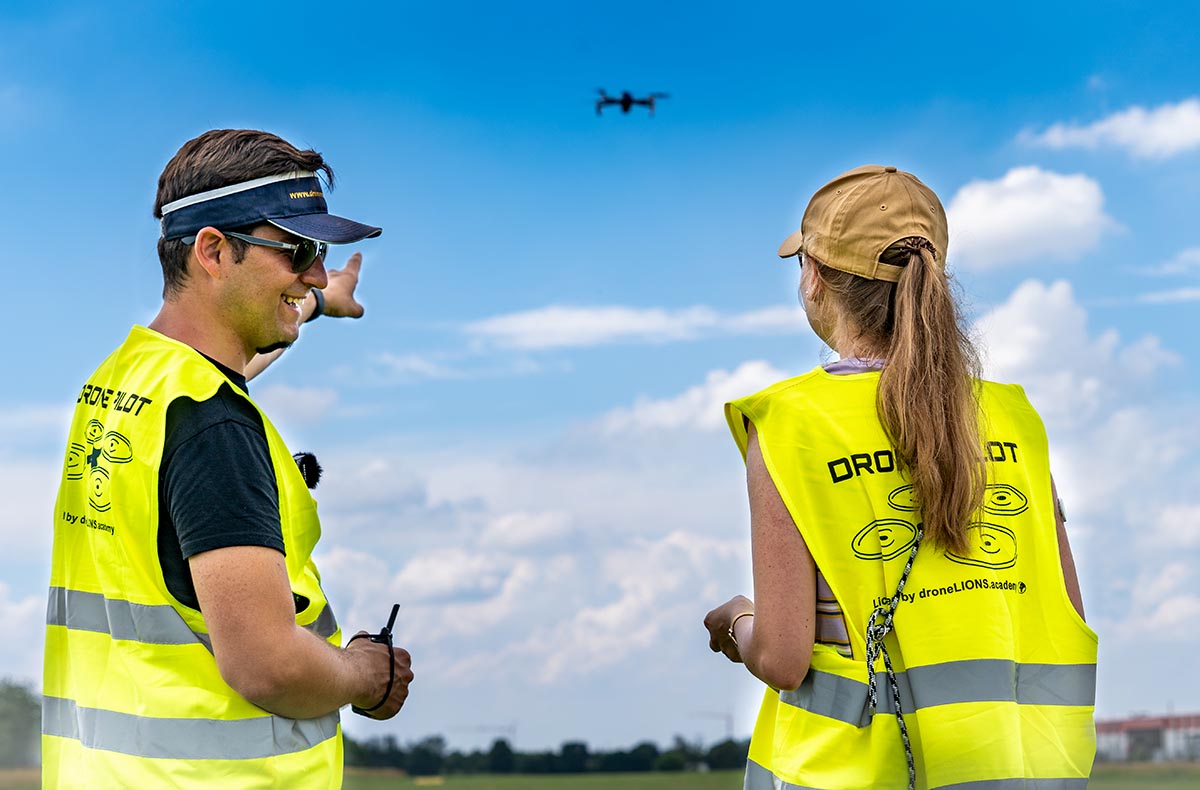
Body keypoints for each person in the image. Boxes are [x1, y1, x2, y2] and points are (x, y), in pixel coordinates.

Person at [703, 165, 1097, 789]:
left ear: (814, 277)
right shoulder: (1013, 420)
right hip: (1018, 772)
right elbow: (1061, 612)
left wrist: (736, 621)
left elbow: (782, 657)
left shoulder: (791, 422)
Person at [43, 129, 413, 789]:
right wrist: (364, 675)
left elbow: (227, 369)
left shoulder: (128, 380)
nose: (315, 272)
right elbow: (266, 665)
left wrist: (315, 305)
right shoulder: (214, 428)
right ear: (214, 251)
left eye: (321, 254)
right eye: (297, 250)